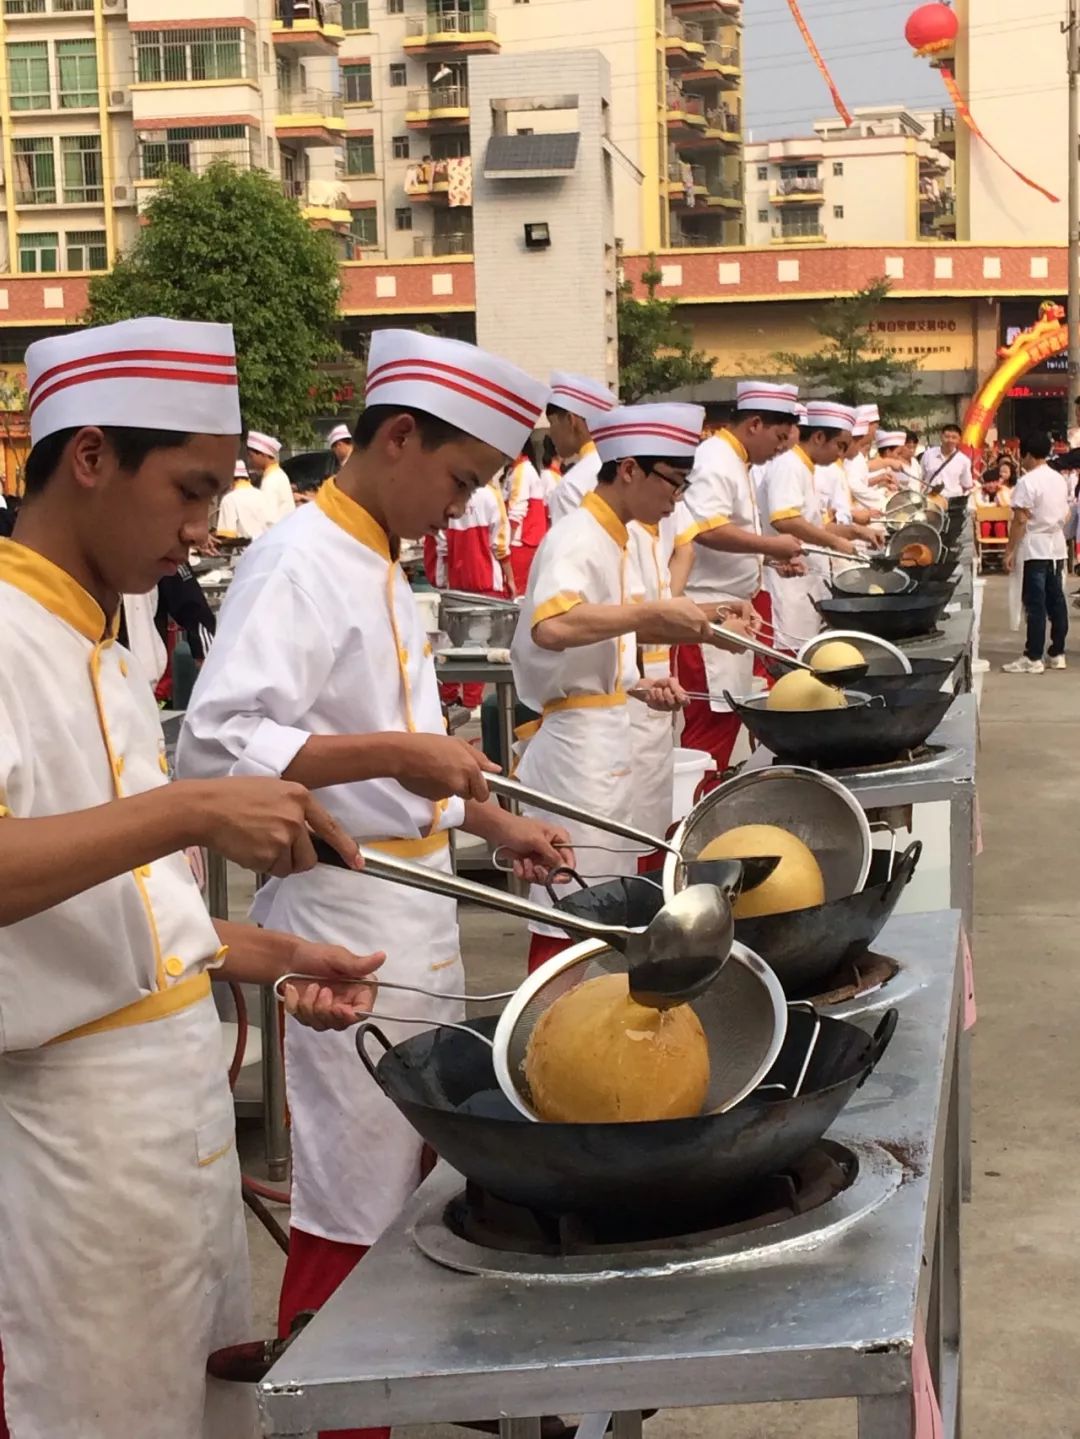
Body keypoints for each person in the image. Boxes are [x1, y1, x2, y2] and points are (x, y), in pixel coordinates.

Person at [176, 332, 573, 1438]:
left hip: (417, 896)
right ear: (397, 436)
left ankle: (407, 1384)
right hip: (340, 914)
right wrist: (396, 761)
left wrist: (491, 815)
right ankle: (339, 1409)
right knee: (353, 1195)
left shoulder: (380, 558)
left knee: (417, 1179)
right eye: (459, 480)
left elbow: (389, 743)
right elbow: (220, 746)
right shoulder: (298, 557)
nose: (463, 507)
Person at [0, 316, 389, 1439]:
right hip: (74, 1151)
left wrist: (274, 955)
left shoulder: (116, 635)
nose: (202, 527)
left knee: (199, 1406)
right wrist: (193, 804)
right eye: (187, 489)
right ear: (88, 457)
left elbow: (123, 911)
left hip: (174, 1124)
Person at [511, 402, 748, 971]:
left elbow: (614, 633)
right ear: (629, 470)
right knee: (573, 905)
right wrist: (650, 616)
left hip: (609, 732)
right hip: (577, 751)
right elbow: (553, 626)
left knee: (609, 899)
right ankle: (545, 1033)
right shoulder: (579, 534)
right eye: (673, 482)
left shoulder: (622, 536)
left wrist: (647, 676)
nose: (677, 498)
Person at [668, 381, 804, 770]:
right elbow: (706, 530)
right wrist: (770, 546)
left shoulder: (735, 459)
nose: (780, 447)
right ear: (754, 424)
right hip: (708, 614)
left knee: (725, 726)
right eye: (778, 436)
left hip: (731, 610)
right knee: (709, 734)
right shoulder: (716, 458)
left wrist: (769, 560)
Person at [760, 401, 872, 651]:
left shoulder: (804, 468)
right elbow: (784, 519)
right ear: (819, 437)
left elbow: (813, 526)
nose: (841, 455)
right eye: (840, 446)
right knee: (792, 654)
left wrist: (854, 532)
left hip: (807, 578)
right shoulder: (789, 465)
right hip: (789, 581)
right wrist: (835, 542)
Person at [438, 476, 514, 711]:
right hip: (486, 579)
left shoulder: (447, 496)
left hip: (457, 579)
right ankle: (471, 703)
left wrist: (444, 581)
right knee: (480, 646)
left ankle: (448, 697)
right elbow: (499, 543)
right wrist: (510, 576)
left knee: (454, 642)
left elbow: (441, 545)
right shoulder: (491, 495)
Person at [1003, 432, 1070, 673]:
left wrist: (1009, 550)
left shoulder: (1027, 481)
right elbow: (1066, 513)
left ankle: (1033, 656)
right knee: (1057, 600)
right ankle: (1057, 651)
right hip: (1056, 545)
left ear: (1028, 455)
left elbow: (1020, 519)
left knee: (1035, 603)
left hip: (1034, 546)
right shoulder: (1059, 479)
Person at [544, 371, 616, 525]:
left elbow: (567, 548)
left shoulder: (570, 487)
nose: (551, 433)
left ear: (571, 420)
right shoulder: (629, 466)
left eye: (552, 423)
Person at [503, 443, 547, 590]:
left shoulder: (521, 470)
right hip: (524, 543)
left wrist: (504, 546)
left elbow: (516, 513)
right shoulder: (516, 470)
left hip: (520, 543)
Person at [215, 458, 272, 541]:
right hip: (265, 547)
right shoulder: (261, 494)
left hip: (244, 550)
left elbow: (227, 535)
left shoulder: (229, 499)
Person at [246, 430, 295, 523]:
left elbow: (267, 520)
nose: (250, 461)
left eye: (251, 456)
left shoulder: (271, 480)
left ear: (263, 454)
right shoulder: (277, 474)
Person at [921, 423, 973, 498]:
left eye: (954, 437)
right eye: (947, 437)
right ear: (941, 437)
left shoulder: (964, 460)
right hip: (931, 501)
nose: (950, 440)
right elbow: (921, 476)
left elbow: (967, 484)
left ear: (959, 439)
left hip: (953, 500)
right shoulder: (928, 455)